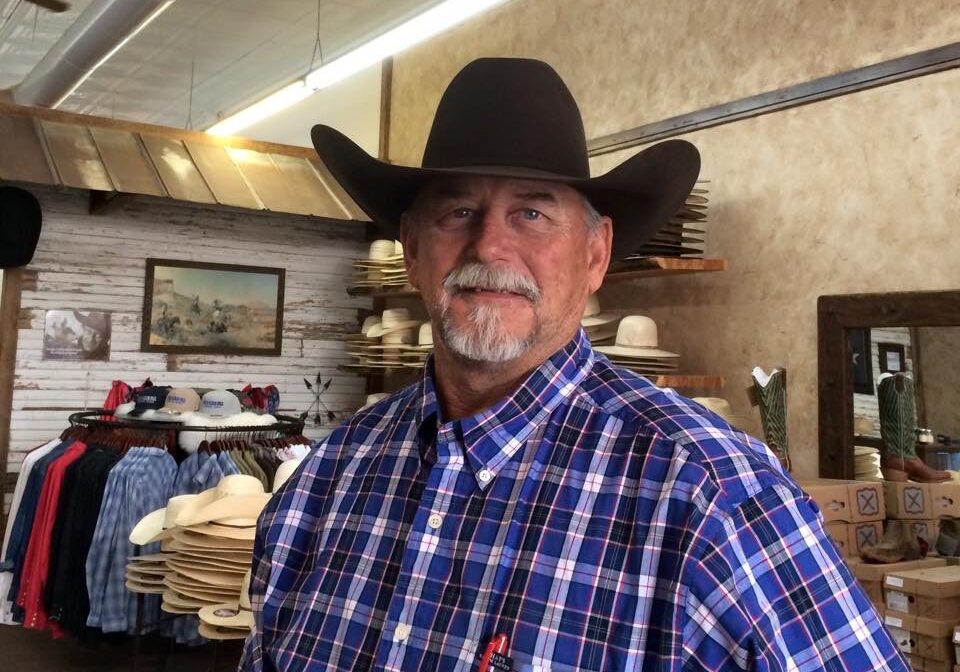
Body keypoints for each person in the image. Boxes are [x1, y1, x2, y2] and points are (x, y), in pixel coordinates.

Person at [241, 58, 905, 671]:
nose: (489, 245)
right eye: (458, 210)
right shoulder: (324, 484)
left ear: (595, 256)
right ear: (413, 250)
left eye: (531, 211)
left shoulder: (711, 495)